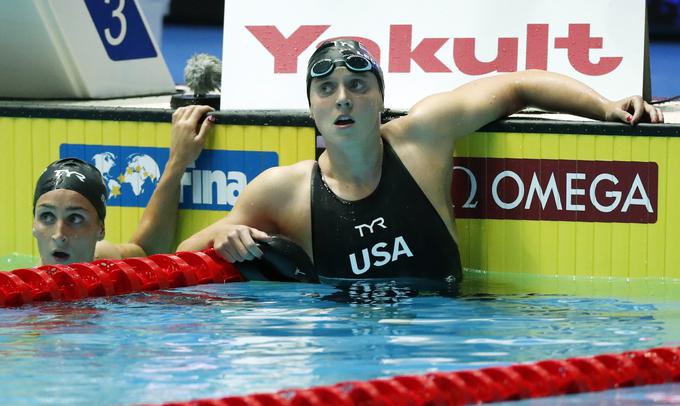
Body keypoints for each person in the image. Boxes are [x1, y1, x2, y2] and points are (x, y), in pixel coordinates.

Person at [177, 39, 664, 288]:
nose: (343, 100)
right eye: (327, 90)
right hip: (339, 352)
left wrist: (605, 107)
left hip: (447, 336)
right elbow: (186, 253)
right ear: (312, 109)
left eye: (358, 87)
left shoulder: (422, 138)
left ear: (381, 100)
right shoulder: (282, 190)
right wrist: (222, 237)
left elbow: (519, 85)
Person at [32, 105, 215, 266]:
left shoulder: (102, 259)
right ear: (34, 226)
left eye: (76, 218)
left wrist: (178, 160)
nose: (59, 234)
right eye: (47, 216)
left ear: (100, 230)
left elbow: (145, 250)